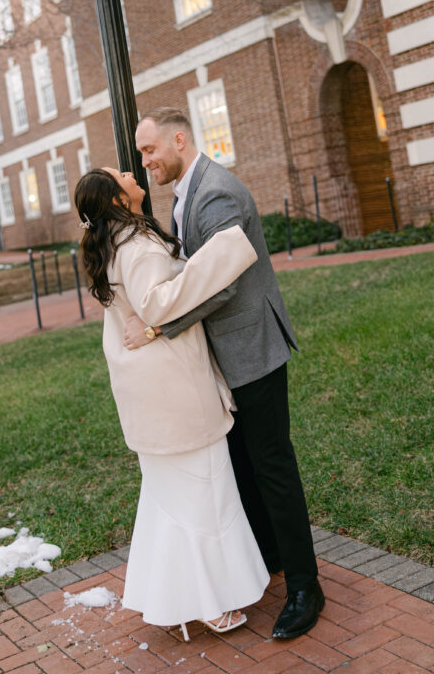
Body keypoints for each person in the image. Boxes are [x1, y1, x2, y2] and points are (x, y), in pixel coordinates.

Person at [126, 107, 323, 640]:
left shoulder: (218, 193)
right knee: (244, 464)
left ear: (180, 139)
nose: (146, 162)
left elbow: (226, 280)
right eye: (142, 154)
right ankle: (271, 557)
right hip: (222, 356)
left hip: (251, 350)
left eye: (150, 151)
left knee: (273, 467)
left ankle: (306, 588)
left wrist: (160, 327)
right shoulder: (184, 192)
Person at [74, 166, 269, 640]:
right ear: (118, 200)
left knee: (174, 501)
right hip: (173, 392)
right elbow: (158, 305)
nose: (129, 171)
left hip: (154, 395)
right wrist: (221, 255)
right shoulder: (136, 247)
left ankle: (178, 598)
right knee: (204, 495)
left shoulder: (118, 243)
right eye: (119, 174)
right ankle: (208, 602)